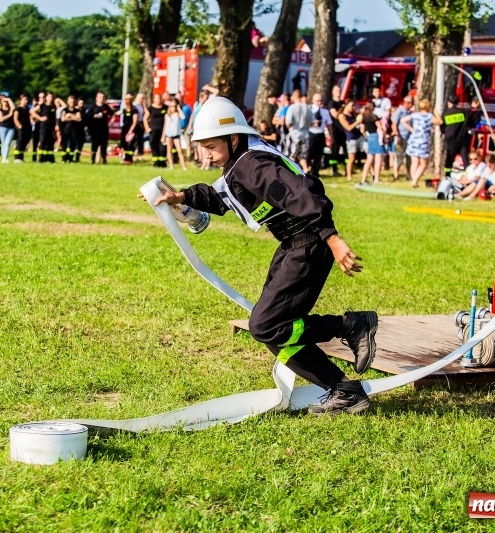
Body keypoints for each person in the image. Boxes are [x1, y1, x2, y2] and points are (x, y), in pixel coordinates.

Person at [148, 97, 379, 416]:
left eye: (211, 146)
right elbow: (221, 196)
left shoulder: (254, 163)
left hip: (309, 242)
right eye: (203, 147)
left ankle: (350, 326)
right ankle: (344, 390)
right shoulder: (240, 162)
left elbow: (303, 195)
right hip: (293, 244)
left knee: (266, 325)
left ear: (233, 138)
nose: (207, 154)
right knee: (272, 330)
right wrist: (184, 196)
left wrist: (333, 239)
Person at [401, 98, 442, 188]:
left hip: (414, 140)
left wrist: (411, 129)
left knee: (414, 162)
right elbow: (440, 122)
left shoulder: (415, 115)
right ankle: (415, 180)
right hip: (423, 141)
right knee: (423, 164)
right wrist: (436, 112)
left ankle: (413, 180)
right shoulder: (429, 116)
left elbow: (403, 120)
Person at [441, 95, 471, 178]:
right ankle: (468, 177)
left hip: (451, 141)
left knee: (449, 160)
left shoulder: (445, 114)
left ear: (449, 103)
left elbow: (442, 129)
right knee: (465, 160)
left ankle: (447, 177)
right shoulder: (464, 112)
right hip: (463, 141)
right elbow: (473, 120)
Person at [285, 90, 313, 172]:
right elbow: (312, 122)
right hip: (305, 134)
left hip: (295, 134)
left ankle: (290, 171)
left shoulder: (292, 107)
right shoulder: (308, 108)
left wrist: (290, 128)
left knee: (292, 154)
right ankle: (305, 169)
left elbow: (288, 122)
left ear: (294, 96)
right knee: (302, 155)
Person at [359, 102, 386, 184]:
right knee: (378, 159)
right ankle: (376, 179)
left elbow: (362, 130)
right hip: (376, 137)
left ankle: (363, 178)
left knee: (369, 159)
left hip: (370, 137)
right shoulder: (374, 117)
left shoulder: (364, 117)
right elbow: (380, 127)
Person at [338, 100, 363, 182]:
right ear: (346, 105)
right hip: (351, 138)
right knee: (351, 158)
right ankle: (349, 175)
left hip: (359, 137)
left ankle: (373, 174)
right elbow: (348, 128)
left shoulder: (353, 114)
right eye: (352, 105)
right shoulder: (342, 116)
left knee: (370, 154)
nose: (353, 107)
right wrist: (357, 122)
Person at [308, 93, 332, 176]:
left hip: (320, 134)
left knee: (319, 154)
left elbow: (329, 124)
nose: (319, 102)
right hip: (311, 134)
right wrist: (311, 124)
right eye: (317, 101)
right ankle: (307, 168)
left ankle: (316, 172)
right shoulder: (309, 110)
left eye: (321, 100)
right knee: (309, 153)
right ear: (313, 101)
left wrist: (330, 135)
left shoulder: (325, 111)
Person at [391, 96, 413, 181]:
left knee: (409, 157)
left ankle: (409, 174)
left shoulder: (409, 112)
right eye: (410, 103)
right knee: (399, 156)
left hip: (409, 138)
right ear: (405, 102)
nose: (411, 104)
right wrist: (397, 135)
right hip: (401, 137)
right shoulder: (399, 111)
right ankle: (396, 175)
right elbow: (394, 124)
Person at [31, 92, 56, 164]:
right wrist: (40, 118)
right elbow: (32, 111)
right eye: (49, 97)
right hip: (44, 126)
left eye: (51, 97)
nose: (50, 98)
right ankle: (41, 158)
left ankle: (50, 159)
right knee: (43, 142)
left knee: (50, 142)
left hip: (51, 127)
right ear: (46, 98)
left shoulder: (53, 106)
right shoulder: (42, 106)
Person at [88, 92, 113, 164]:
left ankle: (104, 159)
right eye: (100, 97)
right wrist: (94, 116)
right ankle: (92, 159)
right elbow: (88, 116)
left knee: (104, 145)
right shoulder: (93, 107)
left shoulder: (106, 107)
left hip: (104, 129)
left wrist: (112, 121)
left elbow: (112, 113)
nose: (102, 99)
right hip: (95, 129)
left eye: (103, 97)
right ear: (96, 98)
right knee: (94, 145)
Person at [163, 100, 187, 170]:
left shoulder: (177, 114)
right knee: (169, 150)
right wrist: (163, 136)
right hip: (168, 134)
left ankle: (184, 166)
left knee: (179, 150)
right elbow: (165, 126)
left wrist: (179, 109)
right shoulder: (167, 115)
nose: (173, 107)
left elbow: (183, 117)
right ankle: (171, 165)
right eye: (172, 106)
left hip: (176, 134)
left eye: (174, 106)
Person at [327, 85, 346, 176]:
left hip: (343, 129)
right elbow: (335, 115)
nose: (339, 92)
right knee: (335, 150)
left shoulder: (343, 102)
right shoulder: (331, 103)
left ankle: (347, 168)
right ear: (333, 92)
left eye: (340, 90)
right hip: (335, 130)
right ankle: (334, 170)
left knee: (346, 149)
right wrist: (342, 108)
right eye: (337, 90)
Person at [145, 93, 167, 168]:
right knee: (154, 145)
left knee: (162, 147)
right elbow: (145, 118)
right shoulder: (151, 108)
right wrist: (147, 128)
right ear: (153, 99)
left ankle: (162, 162)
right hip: (153, 130)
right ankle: (156, 162)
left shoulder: (165, 107)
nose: (159, 99)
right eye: (157, 98)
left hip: (163, 130)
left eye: (160, 98)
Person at [117, 93, 138, 165]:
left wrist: (131, 131)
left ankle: (129, 159)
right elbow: (116, 113)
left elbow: (135, 121)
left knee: (130, 145)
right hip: (124, 129)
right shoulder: (124, 110)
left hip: (131, 130)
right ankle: (126, 158)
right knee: (124, 144)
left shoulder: (134, 110)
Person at [0, 95, 16, 164]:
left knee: (7, 143)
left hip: (11, 128)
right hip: (2, 128)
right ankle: (3, 158)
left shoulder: (10, 109)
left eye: (6, 101)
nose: (5, 102)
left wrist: (9, 100)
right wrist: (10, 115)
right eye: (4, 101)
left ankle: (5, 158)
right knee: (3, 143)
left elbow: (13, 108)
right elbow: (1, 119)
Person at [13, 94, 32, 163]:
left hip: (27, 127)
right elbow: (15, 119)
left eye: (27, 100)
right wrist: (20, 127)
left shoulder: (27, 109)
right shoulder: (18, 109)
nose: (26, 101)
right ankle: (17, 158)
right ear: (20, 101)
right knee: (20, 142)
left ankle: (21, 157)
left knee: (25, 142)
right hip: (20, 128)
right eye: (24, 100)